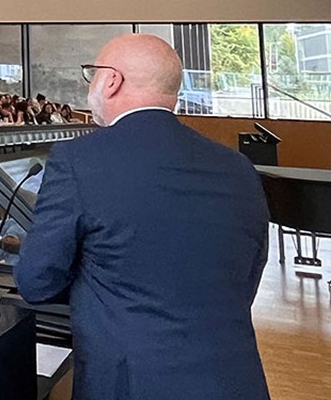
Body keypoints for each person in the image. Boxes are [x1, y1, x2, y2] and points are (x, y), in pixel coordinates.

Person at [16, 35, 270, 400]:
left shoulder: (78, 160)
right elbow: (247, 275)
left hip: (130, 385)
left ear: (111, 80)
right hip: (234, 380)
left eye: (93, 73)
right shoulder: (238, 167)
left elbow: (36, 281)